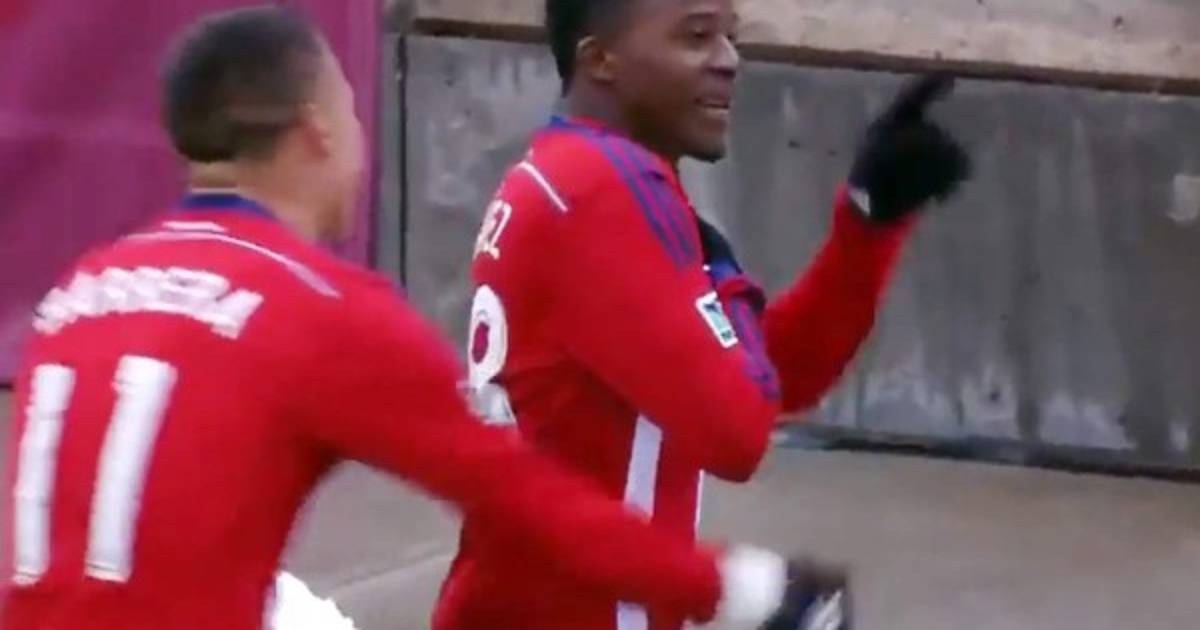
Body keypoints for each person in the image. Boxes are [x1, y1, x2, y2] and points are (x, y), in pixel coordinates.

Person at [0, 6, 848, 630]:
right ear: (317, 131)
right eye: (352, 113)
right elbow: (522, 496)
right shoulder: (317, 307)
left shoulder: (81, 292)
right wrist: (738, 589)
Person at [440, 0, 973, 628]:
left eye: (730, 37)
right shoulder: (605, 187)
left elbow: (770, 377)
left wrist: (866, 222)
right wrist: (716, 268)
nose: (728, 60)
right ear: (601, 59)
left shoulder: (569, 175)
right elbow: (735, 430)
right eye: (696, 37)